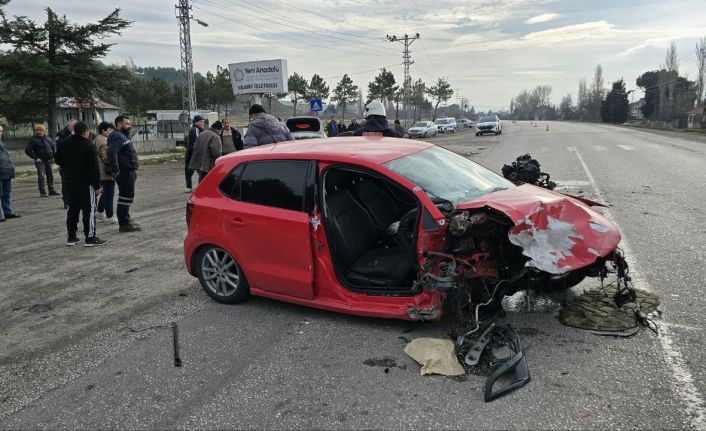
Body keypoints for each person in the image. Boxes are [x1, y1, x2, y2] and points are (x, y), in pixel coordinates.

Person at [54, 121, 106, 247]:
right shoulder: (88, 145)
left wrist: (68, 167)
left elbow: (57, 159)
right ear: (86, 132)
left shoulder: (64, 143)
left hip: (70, 181)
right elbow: (94, 168)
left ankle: (71, 237)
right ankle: (90, 237)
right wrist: (97, 186)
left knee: (73, 209)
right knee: (89, 210)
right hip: (86, 183)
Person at [107, 115, 141, 233]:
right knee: (125, 197)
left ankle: (126, 219)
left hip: (129, 171)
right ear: (119, 124)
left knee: (127, 196)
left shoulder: (121, 136)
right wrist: (115, 170)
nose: (129, 126)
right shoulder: (117, 136)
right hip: (125, 172)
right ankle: (124, 223)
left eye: (129, 123)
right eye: (126, 124)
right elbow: (111, 153)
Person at [25, 124, 59, 197]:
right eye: (38, 130)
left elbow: (53, 147)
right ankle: (43, 192)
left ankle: (51, 191)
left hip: (49, 160)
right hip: (40, 161)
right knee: (41, 176)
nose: (39, 132)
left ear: (44, 131)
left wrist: (53, 156)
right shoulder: (33, 139)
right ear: (35, 131)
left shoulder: (48, 138)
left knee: (50, 175)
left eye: (41, 130)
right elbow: (27, 150)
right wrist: (36, 158)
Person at [94, 122, 118, 224]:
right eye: (110, 130)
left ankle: (99, 211)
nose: (111, 132)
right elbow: (107, 157)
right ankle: (110, 216)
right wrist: (116, 165)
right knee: (110, 193)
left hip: (100, 171)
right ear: (103, 130)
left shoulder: (96, 139)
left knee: (106, 192)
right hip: (106, 171)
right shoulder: (104, 141)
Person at [56, 119, 77, 208]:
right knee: (66, 184)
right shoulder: (60, 134)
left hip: (75, 163)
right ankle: (66, 201)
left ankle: (75, 200)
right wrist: (70, 137)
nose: (74, 129)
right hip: (65, 164)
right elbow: (61, 146)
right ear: (68, 126)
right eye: (73, 127)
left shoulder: (78, 133)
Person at [0, 125, 19, 222]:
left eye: (1, 131)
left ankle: (7, 212)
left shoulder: (2, 143)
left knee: (6, 194)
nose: (0, 133)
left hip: (7, 172)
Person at [185, 115, 205, 193]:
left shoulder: (195, 129)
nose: (203, 124)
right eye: (201, 122)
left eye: (203, 122)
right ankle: (201, 186)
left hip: (191, 154)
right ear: (196, 122)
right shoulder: (195, 130)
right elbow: (197, 143)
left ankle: (189, 187)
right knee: (199, 171)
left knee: (189, 172)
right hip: (194, 155)